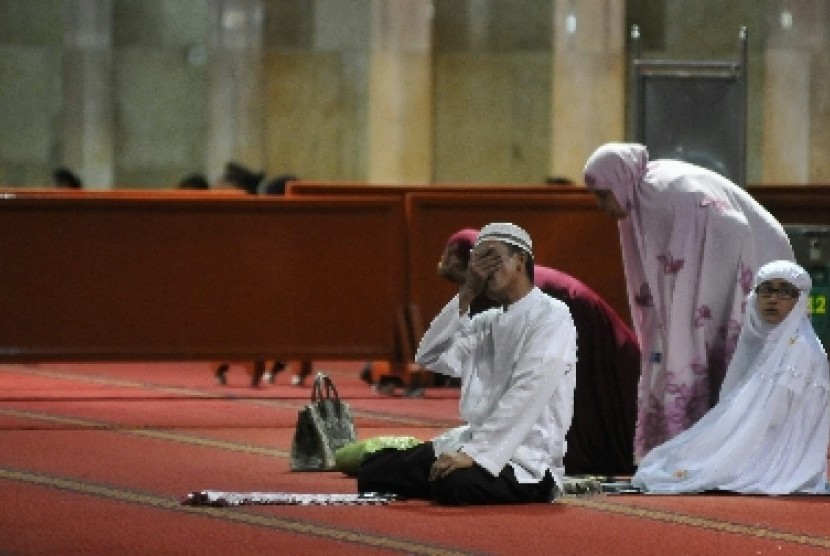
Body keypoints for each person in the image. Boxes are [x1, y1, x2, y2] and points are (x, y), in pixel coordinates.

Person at [583, 142, 794, 462]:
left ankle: (701, 454)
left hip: (754, 256)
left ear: (620, 180)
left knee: (697, 342)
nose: (601, 206)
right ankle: (692, 452)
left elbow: (730, 227)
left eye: (603, 195)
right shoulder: (642, 193)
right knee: (683, 341)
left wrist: (697, 305)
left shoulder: (658, 192)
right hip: (733, 256)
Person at [357, 222, 577, 505]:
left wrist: (474, 454)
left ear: (520, 260)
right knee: (373, 469)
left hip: (527, 460)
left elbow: (527, 393)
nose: (484, 270)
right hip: (473, 441)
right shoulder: (488, 321)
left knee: (454, 485)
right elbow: (430, 356)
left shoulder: (552, 316)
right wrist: (467, 291)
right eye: (478, 262)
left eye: (492, 258)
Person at [436, 228, 641, 475]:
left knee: (574, 393)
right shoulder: (504, 281)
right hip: (575, 321)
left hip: (583, 326)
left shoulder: (513, 290)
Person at [632, 260, 830, 495]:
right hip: (756, 438)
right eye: (766, 290)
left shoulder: (799, 348)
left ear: (800, 301)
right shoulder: (767, 342)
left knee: (694, 468)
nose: (773, 299)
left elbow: (769, 418)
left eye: (785, 292)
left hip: (777, 452)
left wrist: (722, 450)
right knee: (675, 462)